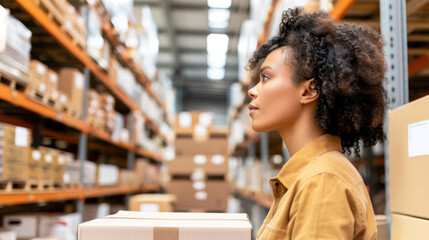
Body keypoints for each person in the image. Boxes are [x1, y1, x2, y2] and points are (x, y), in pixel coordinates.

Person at [247, 7, 387, 240]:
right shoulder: (310, 175)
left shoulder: (322, 181)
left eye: (267, 77)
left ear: (309, 90)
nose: (253, 91)